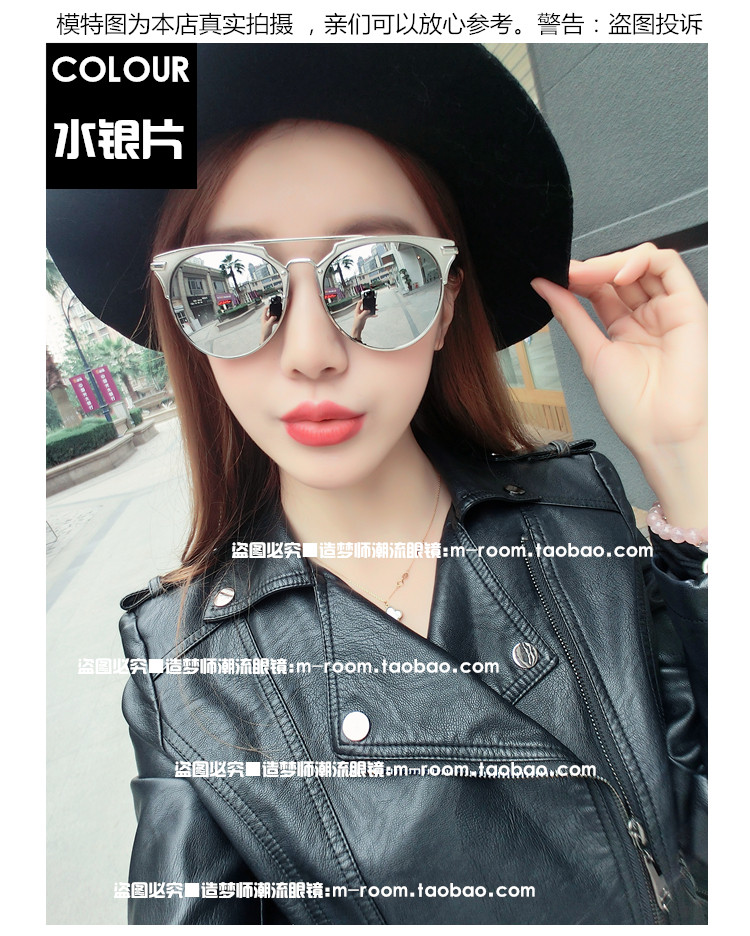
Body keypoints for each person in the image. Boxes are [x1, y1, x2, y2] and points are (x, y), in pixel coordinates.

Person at [46, 45, 707, 925]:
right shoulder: (186, 674)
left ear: (446, 302)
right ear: (185, 325)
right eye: (227, 288)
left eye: (374, 273)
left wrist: (690, 464)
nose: (311, 351)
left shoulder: (582, 516)